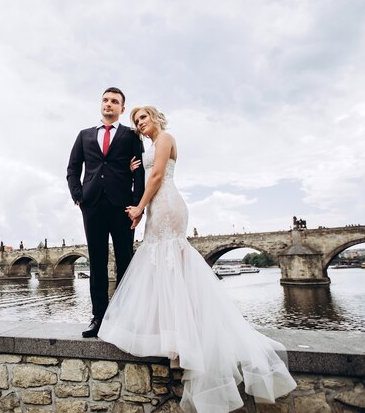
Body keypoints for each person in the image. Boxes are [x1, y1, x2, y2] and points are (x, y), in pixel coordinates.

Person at [97, 106, 296, 413]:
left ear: (155, 118)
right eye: (136, 121)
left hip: (167, 204)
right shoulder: (151, 146)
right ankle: (173, 334)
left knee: (170, 262)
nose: (140, 124)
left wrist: (137, 207)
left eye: (143, 118)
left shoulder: (165, 138)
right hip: (156, 206)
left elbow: (160, 175)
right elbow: (150, 172)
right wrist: (138, 169)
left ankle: (181, 339)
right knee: (160, 267)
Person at [67, 87, 145, 338]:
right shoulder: (84, 135)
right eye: (105, 100)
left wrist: (136, 205)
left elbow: (140, 171)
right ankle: (98, 317)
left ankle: (125, 316)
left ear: (122, 109)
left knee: (125, 261)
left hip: (122, 206)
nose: (109, 104)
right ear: (101, 104)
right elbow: (72, 169)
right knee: (97, 262)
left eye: (114, 102)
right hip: (93, 206)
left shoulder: (131, 135)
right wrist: (79, 197)